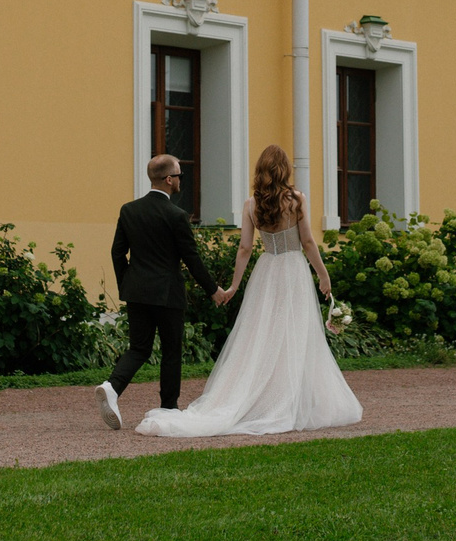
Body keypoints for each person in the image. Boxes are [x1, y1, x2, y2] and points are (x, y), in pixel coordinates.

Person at [133, 144, 362, 438]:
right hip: (293, 271)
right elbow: (307, 243)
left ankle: (269, 395)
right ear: (285, 170)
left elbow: (244, 248)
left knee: (262, 334)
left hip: (267, 271)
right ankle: (290, 400)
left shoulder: (251, 204)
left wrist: (234, 286)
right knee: (295, 333)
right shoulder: (296, 200)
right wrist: (323, 275)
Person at [98, 153, 222, 428]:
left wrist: (127, 283)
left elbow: (117, 252)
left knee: (139, 349)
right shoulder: (176, 216)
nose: (181, 181)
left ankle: (112, 387)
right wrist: (213, 290)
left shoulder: (129, 210)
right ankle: (168, 408)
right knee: (171, 352)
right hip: (168, 294)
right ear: (168, 179)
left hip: (137, 292)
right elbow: (192, 259)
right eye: (179, 176)